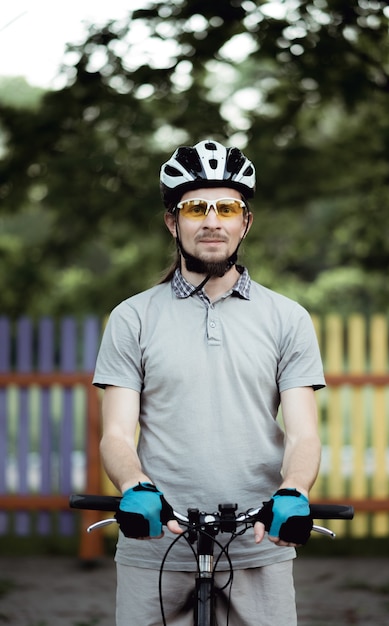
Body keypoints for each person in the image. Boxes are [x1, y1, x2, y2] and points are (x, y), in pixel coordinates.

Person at [93, 139, 325, 626]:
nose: (213, 220)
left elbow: (304, 433)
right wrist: (135, 486)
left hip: (257, 543)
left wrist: (294, 490)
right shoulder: (132, 318)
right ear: (173, 222)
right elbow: (116, 432)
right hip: (154, 542)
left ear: (246, 221)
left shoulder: (288, 318)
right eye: (197, 207)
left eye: (228, 207)